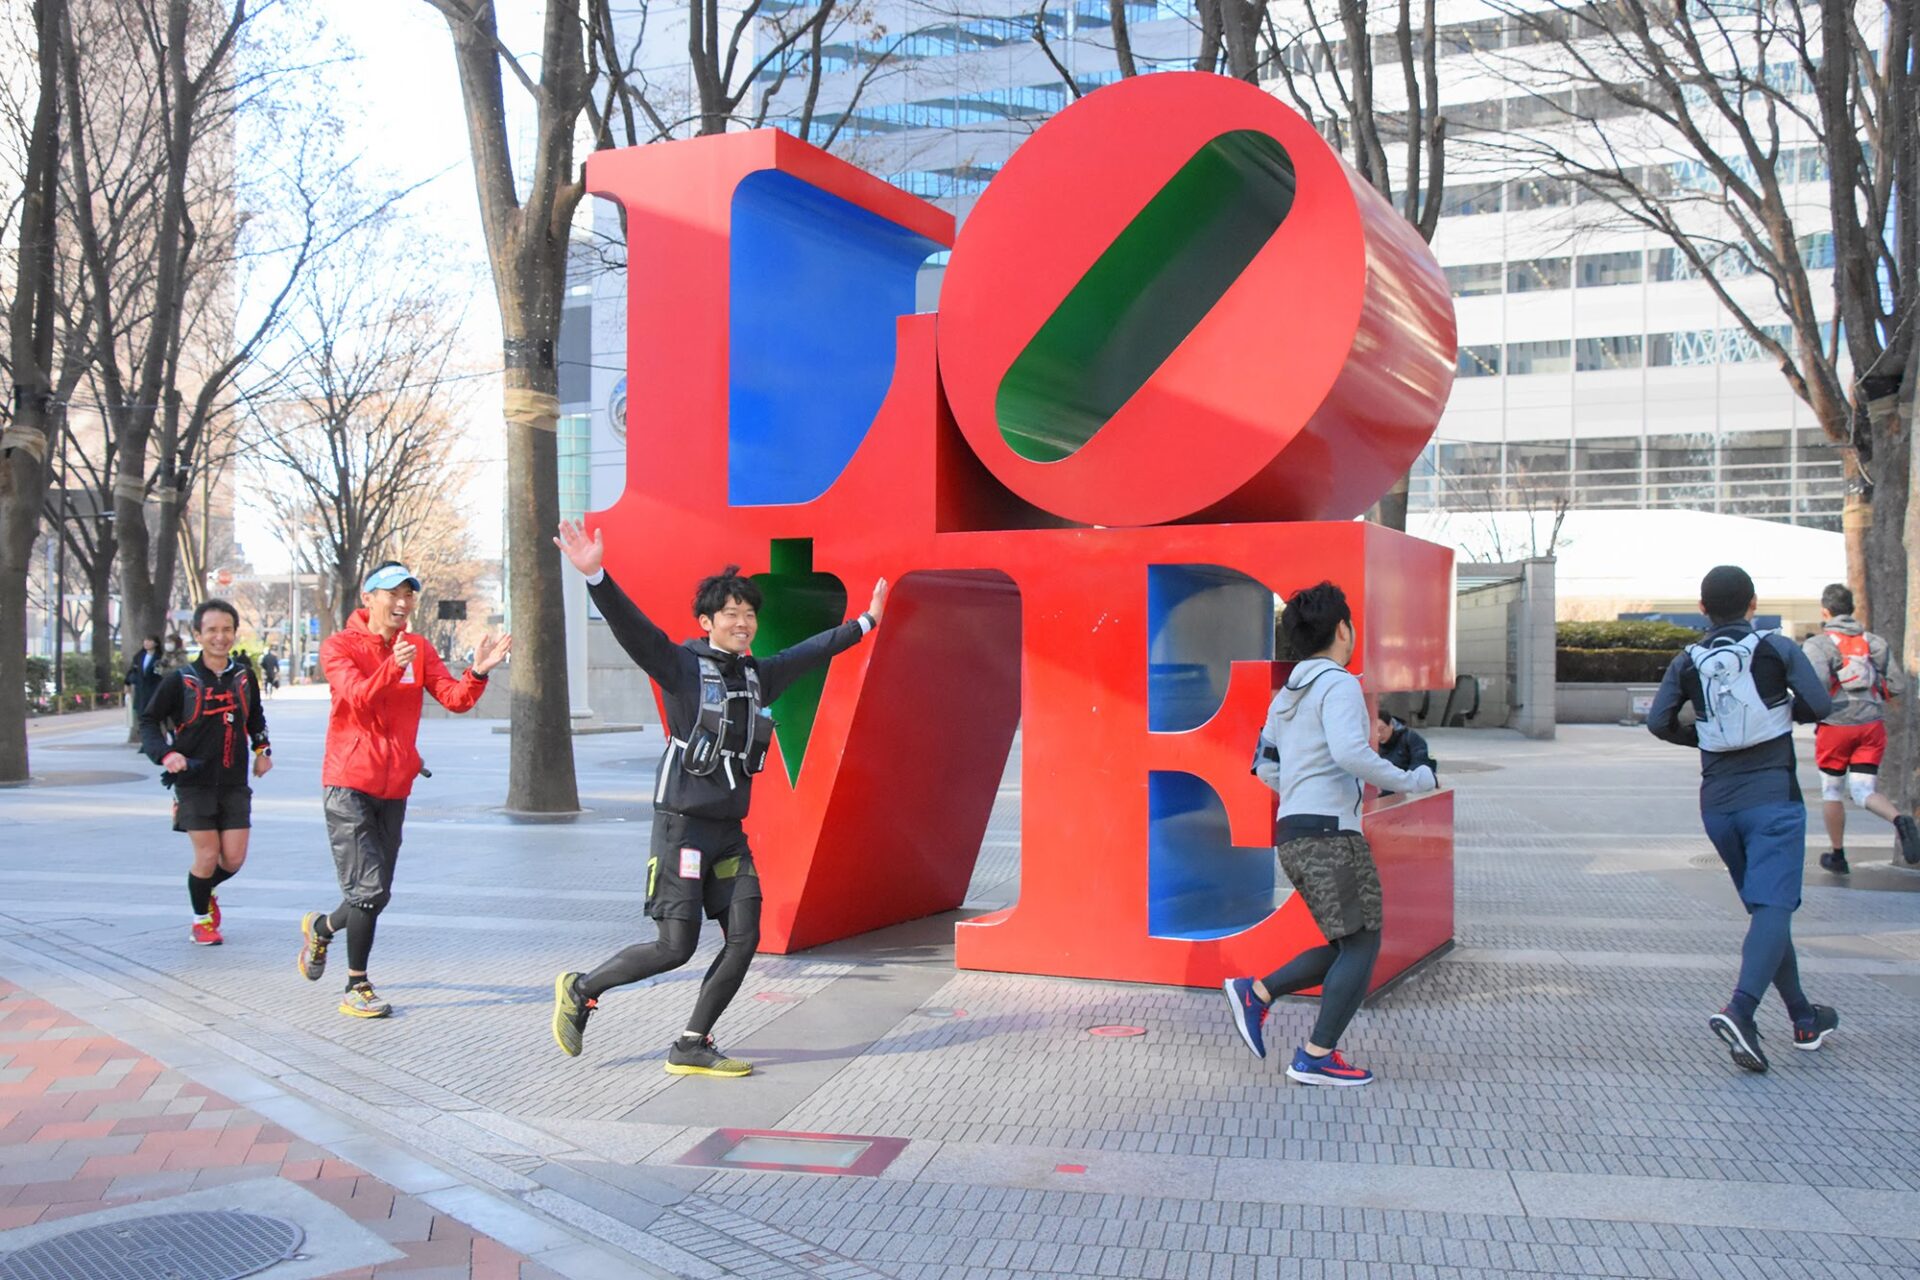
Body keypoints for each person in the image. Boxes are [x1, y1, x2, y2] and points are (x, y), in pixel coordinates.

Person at [548, 519, 885, 1076]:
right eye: (731, 613)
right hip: (683, 827)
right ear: (707, 622)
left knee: (744, 938)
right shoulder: (681, 667)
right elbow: (636, 632)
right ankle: (582, 988)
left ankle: (691, 1043)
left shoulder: (758, 676)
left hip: (730, 831)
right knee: (674, 947)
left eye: (749, 614)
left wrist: (865, 622)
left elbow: (809, 652)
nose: (743, 622)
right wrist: (597, 577)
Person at [1222, 582, 1440, 1087]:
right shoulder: (1338, 683)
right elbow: (1349, 752)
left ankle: (1257, 994)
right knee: (1362, 944)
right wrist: (1412, 780)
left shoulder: (1288, 694)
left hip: (1295, 831)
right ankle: (1315, 1055)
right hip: (1329, 834)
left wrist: (1301, 787)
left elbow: (1263, 764)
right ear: (1343, 628)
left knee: (1351, 941)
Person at [296, 561, 511, 1018]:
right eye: (393, 593)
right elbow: (355, 696)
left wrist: (478, 672)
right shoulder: (340, 647)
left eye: (409, 594)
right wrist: (391, 668)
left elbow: (454, 700)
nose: (402, 603)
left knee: (373, 892)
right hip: (348, 781)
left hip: (395, 784)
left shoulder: (417, 646)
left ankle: (322, 927)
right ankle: (357, 984)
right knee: (369, 889)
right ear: (368, 597)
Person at [1648, 565, 1837, 1073]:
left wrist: (1702, 736)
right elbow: (1820, 704)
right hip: (1773, 798)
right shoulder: (1777, 648)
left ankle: (1804, 1017)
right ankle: (1741, 1011)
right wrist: (1782, 713)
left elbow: (1658, 721)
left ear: (1702, 609)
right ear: (1754, 605)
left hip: (1718, 806)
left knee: (1766, 913)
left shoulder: (1686, 661)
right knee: (1774, 907)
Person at [138, 601, 271, 945]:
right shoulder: (179, 680)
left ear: (234, 633)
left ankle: (203, 890)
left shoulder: (244, 676)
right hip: (193, 781)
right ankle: (201, 921)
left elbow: (255, 717)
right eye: (211, 630)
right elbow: (149, 721)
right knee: (208, 856)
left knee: (234, 858)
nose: (219, 637)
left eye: (226, 629)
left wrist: (262, 752)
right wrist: (165, 754)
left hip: (233, 781)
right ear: (197, 634)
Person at [1800, 584, 1915, 872]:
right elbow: (1897, 685)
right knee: (1864, 791)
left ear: (1825, 611)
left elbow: (1817, 687)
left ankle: (1838, 855)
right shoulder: (1874, 642)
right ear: (1852, 609)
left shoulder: (1819, 644)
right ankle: (1899, 819)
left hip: (1835, 727)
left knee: (1832, 791)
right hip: (1871, 726)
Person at [1374, 705, 1434, 796]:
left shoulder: (1410, 738)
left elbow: (1419, 765)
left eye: (1381, 729)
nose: (1378, 735)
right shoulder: (1370, 742)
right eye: (1374, 730)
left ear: (1391, 725)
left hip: (1405, 791)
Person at [124, 634, 165, 718]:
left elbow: (161, 674)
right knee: (140, 714)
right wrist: (127, 683)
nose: (146, 643)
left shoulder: (160, 658)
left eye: (150, 641)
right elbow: (132, 670)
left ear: (156, 643)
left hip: (153, 689)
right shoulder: (139, 656)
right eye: (145, 640)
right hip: (140, 690)